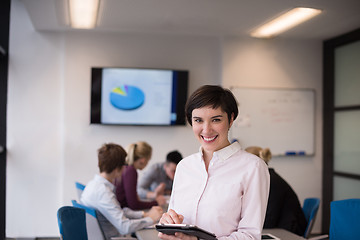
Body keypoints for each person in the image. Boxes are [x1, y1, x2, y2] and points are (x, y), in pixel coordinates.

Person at [158, 85, 270, 240]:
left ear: (231, 120)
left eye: (216, 120)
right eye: (198, 120)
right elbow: (176, 219)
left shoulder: (253, 167)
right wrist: (168, 224)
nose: (206, 129)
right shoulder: (184, 166)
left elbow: (250, 235)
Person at [80, 143, 163, 238]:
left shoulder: (93, 185)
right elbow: (124, 227)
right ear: (117, 169)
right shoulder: (104, 192)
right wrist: (150, 219)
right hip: (115, 237)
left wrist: (144, 214)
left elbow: (118, 211)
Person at [245, 146, 307, 236]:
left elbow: (269, 220)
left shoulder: (270, 181)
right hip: (282, 226)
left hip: (290, 231)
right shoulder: (266, 177)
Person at [115, 141, 166, 210]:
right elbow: (134, 205)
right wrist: (156, 202)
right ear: (143, 160)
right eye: (148, 160)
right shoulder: (131, 171)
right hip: (123, 212)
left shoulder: (125, 168)